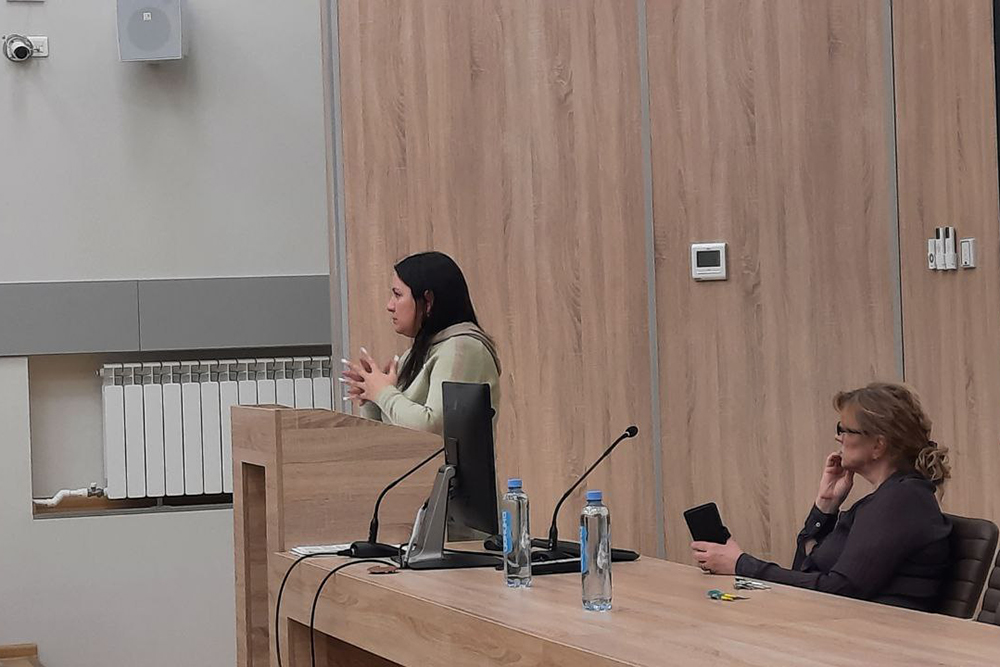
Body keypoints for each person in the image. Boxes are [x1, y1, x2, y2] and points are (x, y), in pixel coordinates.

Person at [692, 382, 953, 612]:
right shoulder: (887, 499)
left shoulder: (902, 501)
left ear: (877, 445)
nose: (838, 437)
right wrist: (825, 506)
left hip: (882, 640)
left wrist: (741, 565)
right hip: (846, 629)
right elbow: (804, 571)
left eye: (845, 430)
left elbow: (841, 590)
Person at [341, 251, 501, 434]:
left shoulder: (463, 348)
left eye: (397, 295)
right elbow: (385, 437)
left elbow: (434, 428)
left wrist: (383, 393)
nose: (390, 306)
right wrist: (371, 397)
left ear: (428, 301)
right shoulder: (415, 353)